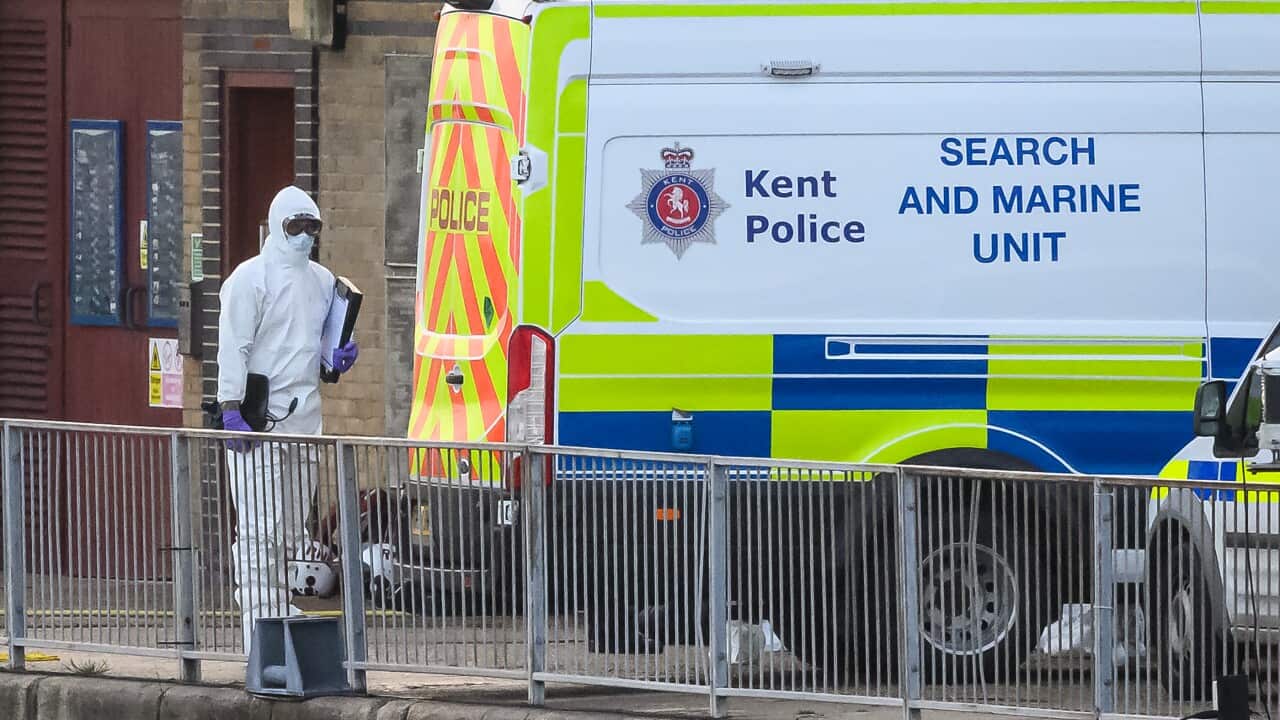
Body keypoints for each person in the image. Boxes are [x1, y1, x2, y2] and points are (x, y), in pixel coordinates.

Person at [215, 185, 359, 650]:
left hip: (303, 426)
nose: (302, 236)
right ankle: (258, 636)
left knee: (290, 536)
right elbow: (233, 347)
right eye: (294, 227)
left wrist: (334, 359)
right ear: (276, 226)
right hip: (258, 426)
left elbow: (314, 350)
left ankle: (281, 626)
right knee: (258, 534)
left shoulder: (321, 281)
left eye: (311, 227)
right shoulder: (249, 280)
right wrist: (230, 408)